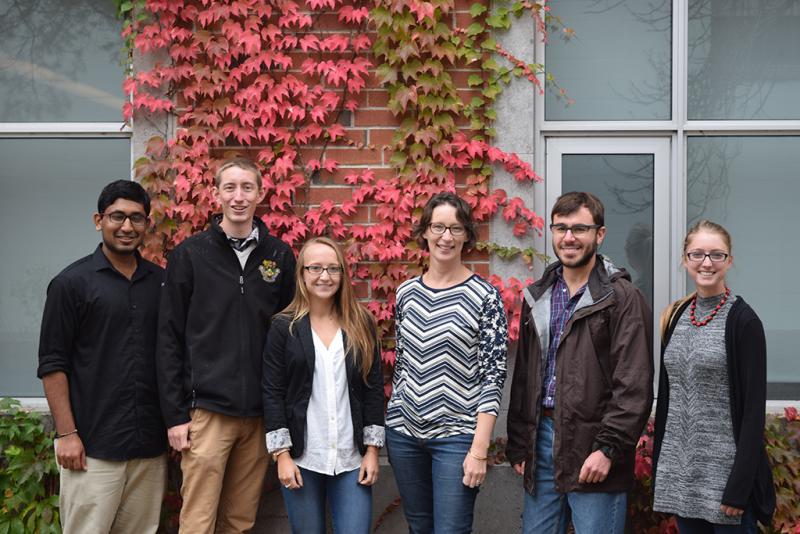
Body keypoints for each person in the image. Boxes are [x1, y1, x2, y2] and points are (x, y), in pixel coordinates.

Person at [156, 158, 296, 533]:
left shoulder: (279, 256)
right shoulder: (190, 254)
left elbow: (289, 334)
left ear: (260, 193)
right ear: (216, 194)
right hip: (207, 412)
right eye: (230, 188)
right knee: (198, 520)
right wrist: (175, 415)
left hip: (258, 414)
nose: (238, 197)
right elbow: (168, 336)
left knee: (240, 520)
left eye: (247, 188)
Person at [507, 191, 654, 534]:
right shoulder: (538, 295)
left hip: (593, 441)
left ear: (599, 235)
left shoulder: (622, 298)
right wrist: (520, 443)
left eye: (579, 229)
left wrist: (608, 448)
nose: (569, 237)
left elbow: (634, 382)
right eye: (561, 228)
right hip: (541, 441)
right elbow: (525, 376)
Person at [37, 180, 166, 533]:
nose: (127, 227)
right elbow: (53, 364)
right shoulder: (71, 284)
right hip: (92, 449)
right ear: (99, 220)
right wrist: (67, 434)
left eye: (137, 218)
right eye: (117, 217)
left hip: (149, 449)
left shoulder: (161, 284)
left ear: (147, 224)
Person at [385, 191, 508, 533]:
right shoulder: (406, 292)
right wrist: (395, 413)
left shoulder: (485, 296)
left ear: (467, 235)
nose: (445, 237)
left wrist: (479, 449)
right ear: (424, 232)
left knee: (451, 529)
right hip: (404, 436)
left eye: (455, 229)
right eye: (438, 227)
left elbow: (494, 374)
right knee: (419, 527)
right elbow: (405, 363)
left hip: (457, 437)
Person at [652, 220, 775, 533]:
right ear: (685, 260)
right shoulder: (675, 316)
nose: (706, 263)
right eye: (697, 254)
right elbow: (669, 400)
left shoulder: (743, 322)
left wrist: (738, 487)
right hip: (682, 479)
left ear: (729, 261)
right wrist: (661, 472)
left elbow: (752, 412)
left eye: (716, 255)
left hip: (726, 487)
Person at [263, 237, 384, 533]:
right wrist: (282, 456)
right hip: (303, 457)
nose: (324, 276)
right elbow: (272, 392)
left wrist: (371, 451)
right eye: (315, 268)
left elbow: (373, 388)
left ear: (342, 274)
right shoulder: (284, 327)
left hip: (351, 457)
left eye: (332, 268)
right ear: (302, 273)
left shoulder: (361, 324)